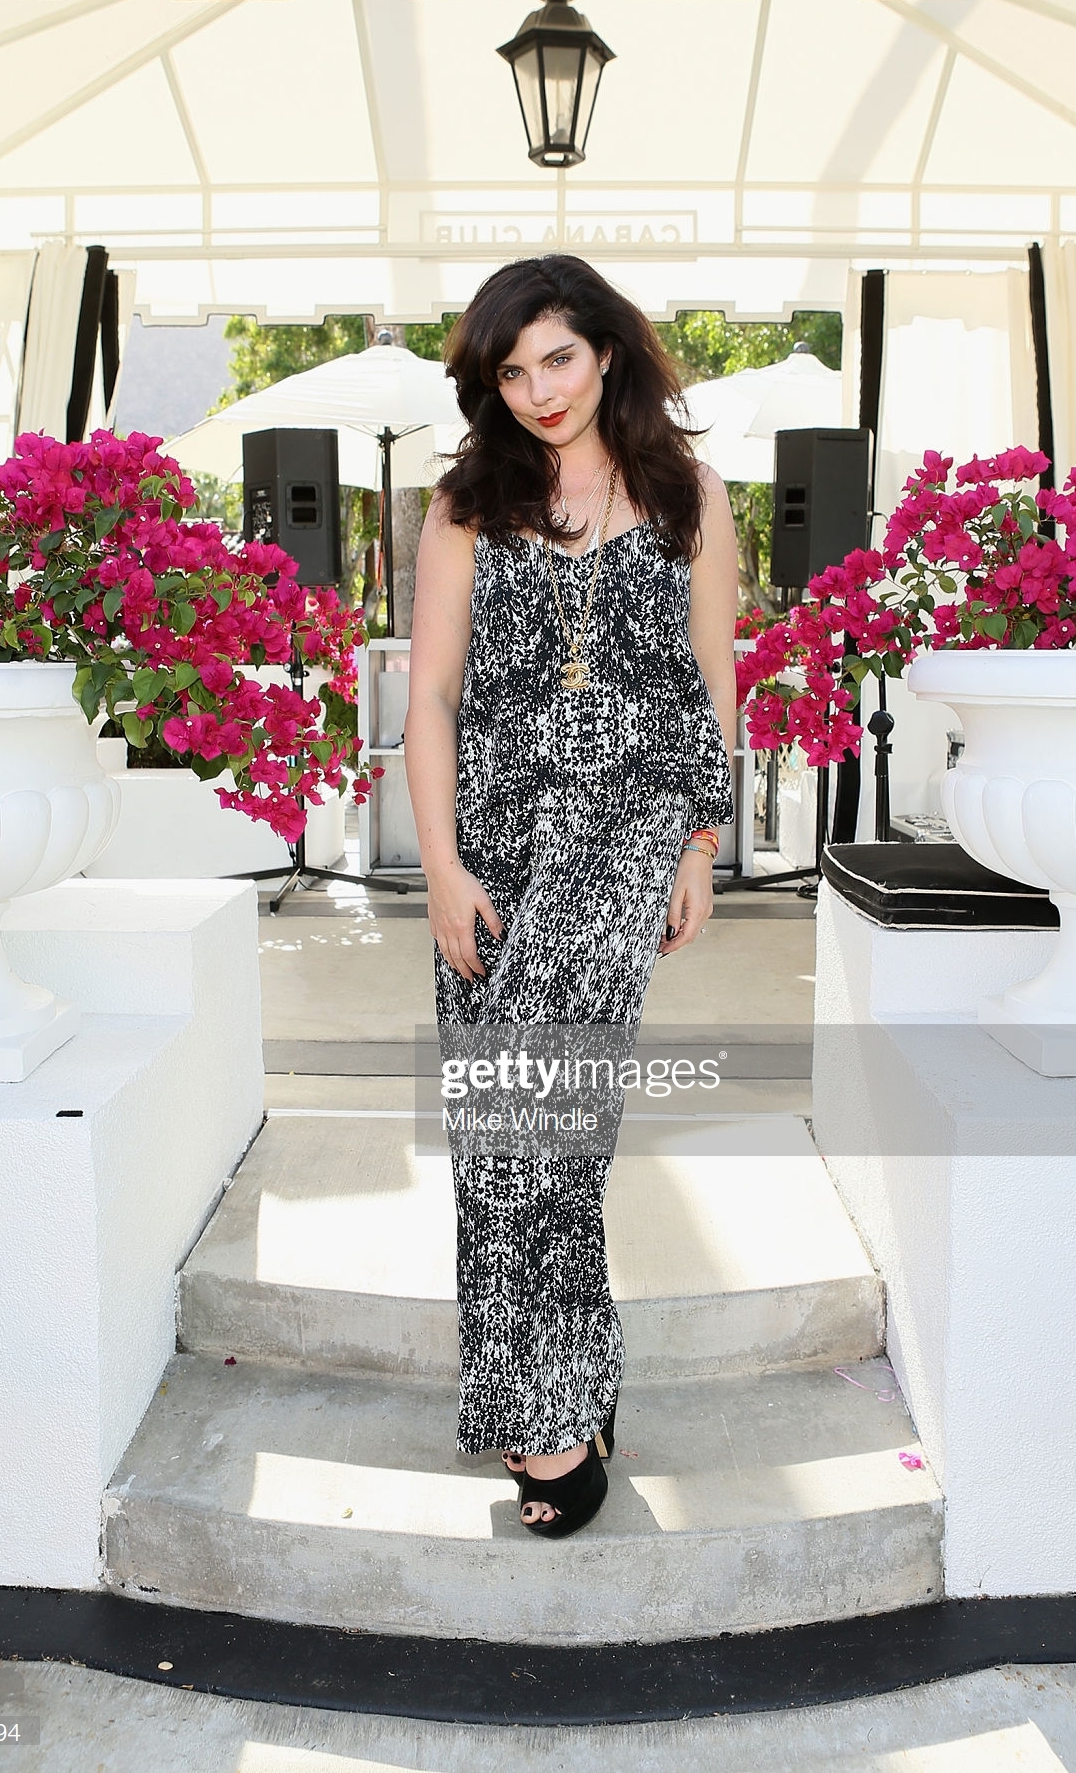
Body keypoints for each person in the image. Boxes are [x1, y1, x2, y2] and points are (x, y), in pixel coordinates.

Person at [405, 254, 736, 1538]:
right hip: (491, 833)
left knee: (525, 1123)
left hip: (625, 825)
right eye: (512, 369)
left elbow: (711, 679)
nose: (540, 389)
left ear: (606, 351)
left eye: (558, 357)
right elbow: (432, 698)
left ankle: (543, 1424)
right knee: (523, 1122)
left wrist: (700, 839)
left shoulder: (688, 492)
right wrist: (441, 865)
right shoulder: (466, 503)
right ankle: (575, 1380)